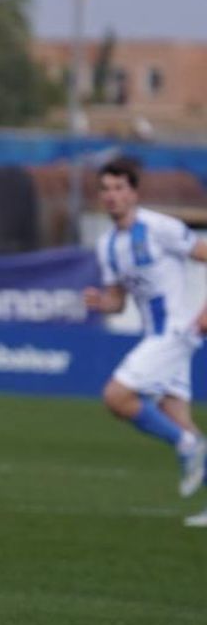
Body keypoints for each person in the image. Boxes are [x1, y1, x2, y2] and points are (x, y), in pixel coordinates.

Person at [80, 158, 207, 518]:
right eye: (105, 189)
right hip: (157, 334)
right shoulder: (107, 245)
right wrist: (100, 303)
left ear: (134, 193)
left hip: (177, 331)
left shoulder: (158, 227)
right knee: (175, 414)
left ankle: (186, 445)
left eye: (119, 188)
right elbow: (118, 303)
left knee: (116, 396)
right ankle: (188, 442)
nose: (112, 196)